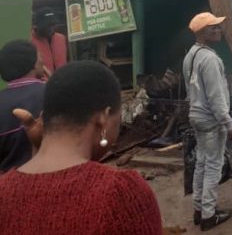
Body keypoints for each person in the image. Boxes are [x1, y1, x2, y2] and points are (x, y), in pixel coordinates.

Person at [0, 61, 162, 234]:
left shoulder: (4, 191)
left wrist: (36, 152)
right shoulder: (121, 194)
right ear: (103, 118)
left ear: (44, 117)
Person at [183, 12, 232, 230]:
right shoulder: (210, 59)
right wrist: (229, 123)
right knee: (213, 165)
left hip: (196, 116)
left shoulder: (192, 55)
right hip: (210, 119)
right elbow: (216, 97)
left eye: (218, 27)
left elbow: (191, 91)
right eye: (214, 28)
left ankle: (199, 209)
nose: (219, 30)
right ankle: (208, 215)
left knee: (202, 163)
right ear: (203, 33)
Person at [0, 40, 45, 172]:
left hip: (8, 187)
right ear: (33, 63)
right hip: (54, 180)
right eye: (40, 57)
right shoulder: (52, 93)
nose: (43, 61)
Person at [29, 7, 67, 79]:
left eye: (52, 25)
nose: (51, 28)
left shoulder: (61, 38)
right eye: (46, 26)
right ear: (35, 25)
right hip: (41, 86)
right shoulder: (29, 41)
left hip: (62, 82)